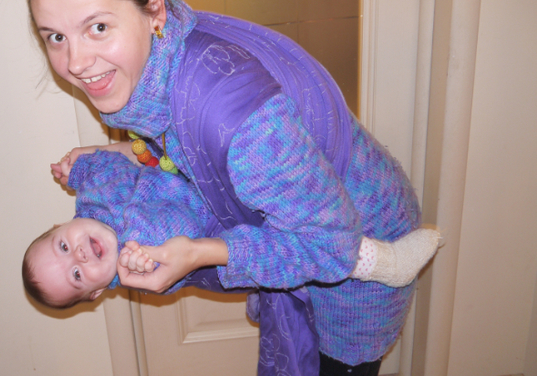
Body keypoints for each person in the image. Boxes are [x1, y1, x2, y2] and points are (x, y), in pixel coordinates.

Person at [25, 0, 436, 376]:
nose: (75, 62)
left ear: (153, 8)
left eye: (97, 27)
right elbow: (183, 156)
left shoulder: (232, 115)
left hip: (358, 250)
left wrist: (199, 254)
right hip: (308, 226)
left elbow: (332, 249)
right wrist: (115, 151)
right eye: (55, 37)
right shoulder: (159, 67)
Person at [23, 149, 440, 309]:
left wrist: (77, 165)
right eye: (76, 275)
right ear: (96, 292)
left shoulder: (91, 191)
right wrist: (144, 259)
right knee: (288, 248)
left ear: (62, 224)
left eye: (63, 247)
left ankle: (274, 295)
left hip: (200, 173)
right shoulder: (135, 267)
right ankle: (380, 261)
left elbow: (108, 161)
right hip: (224, 227)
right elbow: (184, 231)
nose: (80, 256)